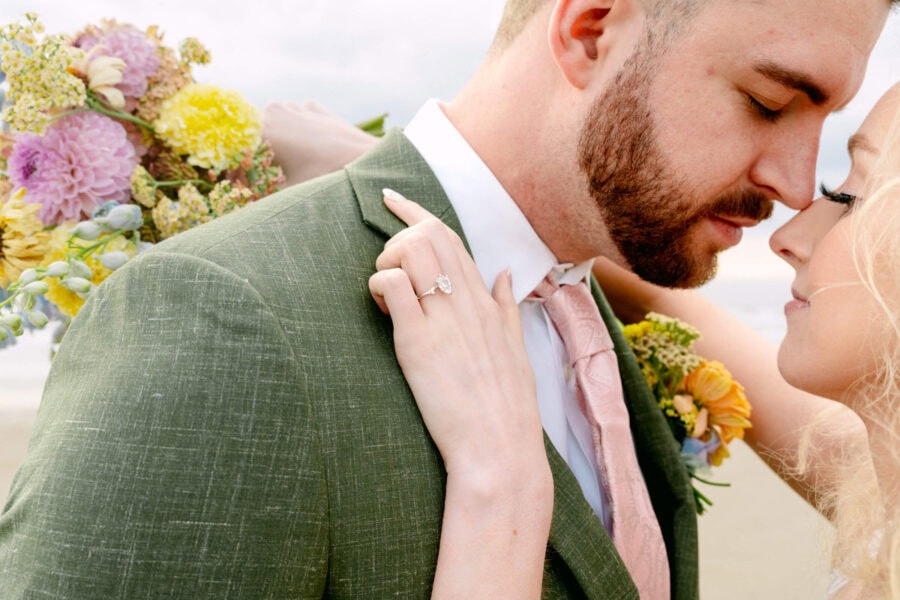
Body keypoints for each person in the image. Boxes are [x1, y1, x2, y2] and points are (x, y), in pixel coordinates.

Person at [0, 1, 894, 597]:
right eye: (768, 101)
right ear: (590, 29)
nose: (794, 186)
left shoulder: (603, 328)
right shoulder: (224, 317)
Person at [369, 83, 900, 598]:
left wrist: (501, 475)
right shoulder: (880, 486)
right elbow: (681, 310)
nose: (787, 236)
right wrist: (455, 188)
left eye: (848, 196)